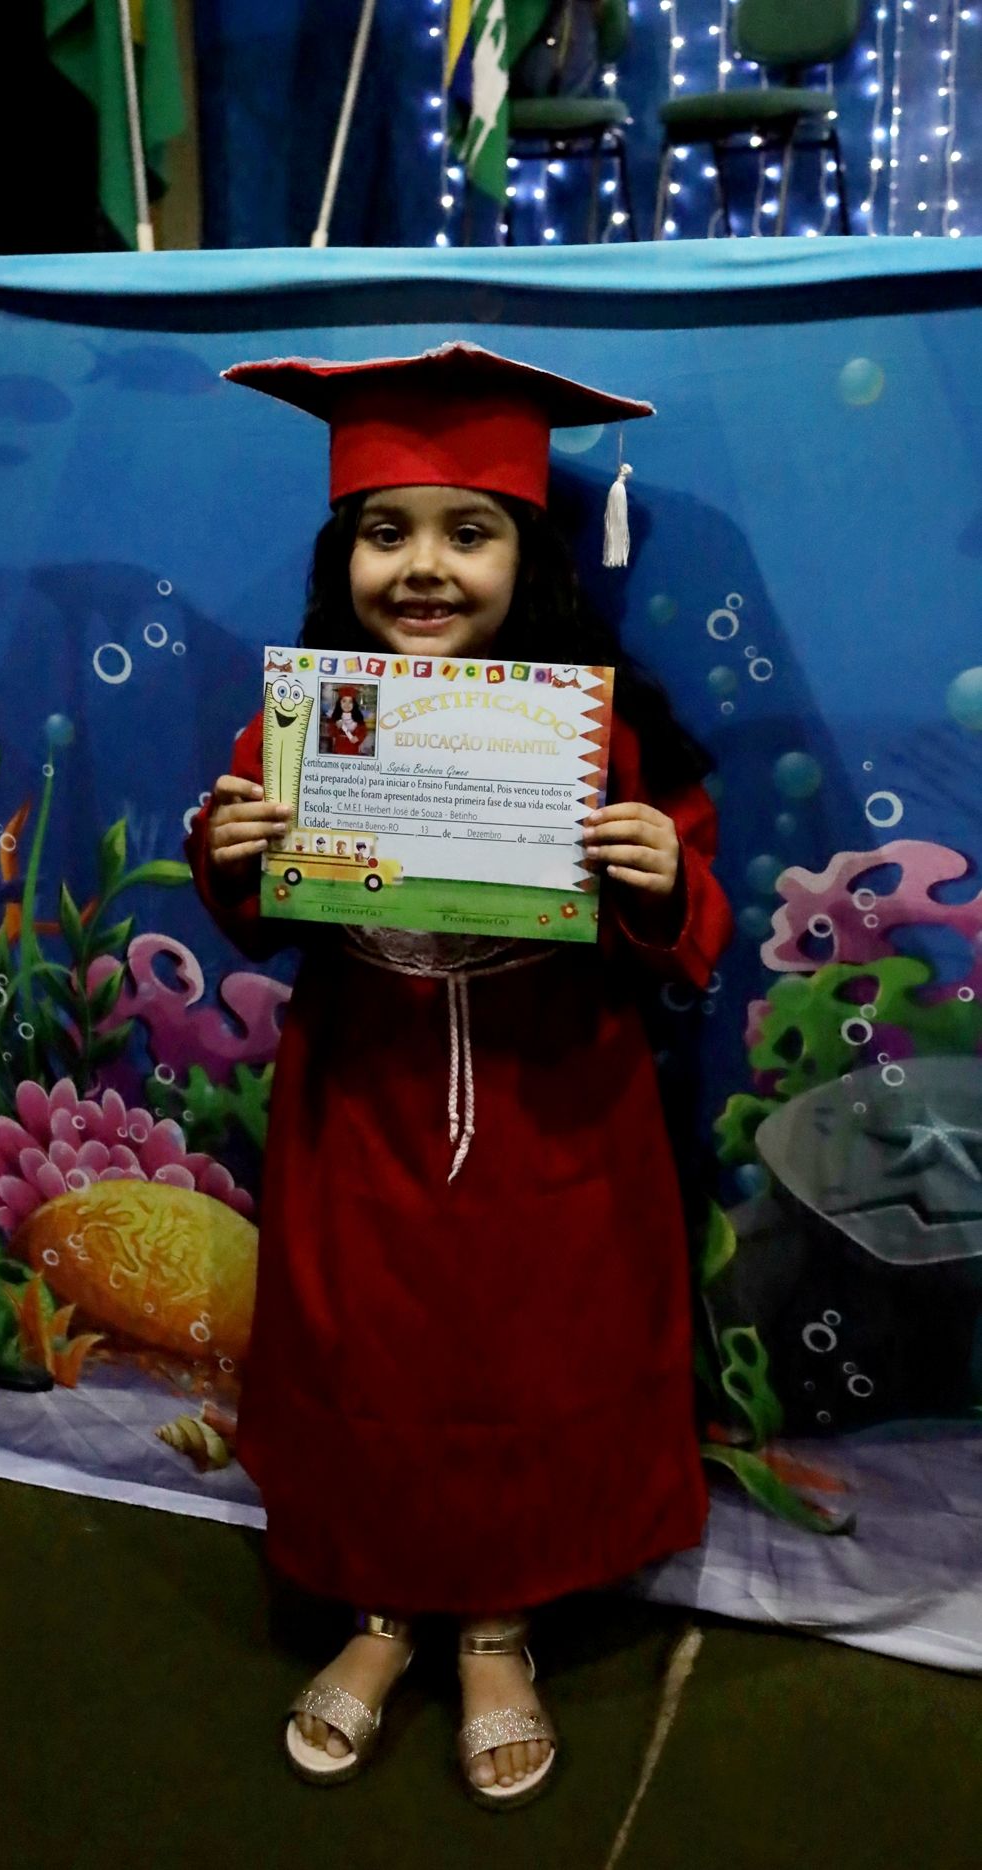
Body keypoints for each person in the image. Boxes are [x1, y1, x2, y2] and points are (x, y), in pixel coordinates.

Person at [186, 342, 733, 1809]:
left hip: (558, 1116)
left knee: (525, 1363)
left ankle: (496, 1627)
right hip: (360, 1107)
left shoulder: (605, 732)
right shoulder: (304, 722)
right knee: (367, 1361)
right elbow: (260, 908)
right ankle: (380, 1609)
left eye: (467, 531)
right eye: (386, 531)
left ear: (525, 555)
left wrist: (657, 873)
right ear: (344, 556)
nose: (423, 566)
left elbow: (690, 929)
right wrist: (230, 853)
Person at [325, 687, 368, 755]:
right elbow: (330, 732)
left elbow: (363, 731)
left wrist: (358, 737)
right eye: (344, 701)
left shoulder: (358, 717)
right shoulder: (335, 717)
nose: (347, 704)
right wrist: (336, 727)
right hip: (339, 748)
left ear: (354, 704)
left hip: (353, 748)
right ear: (339, 703)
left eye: (350, 702)